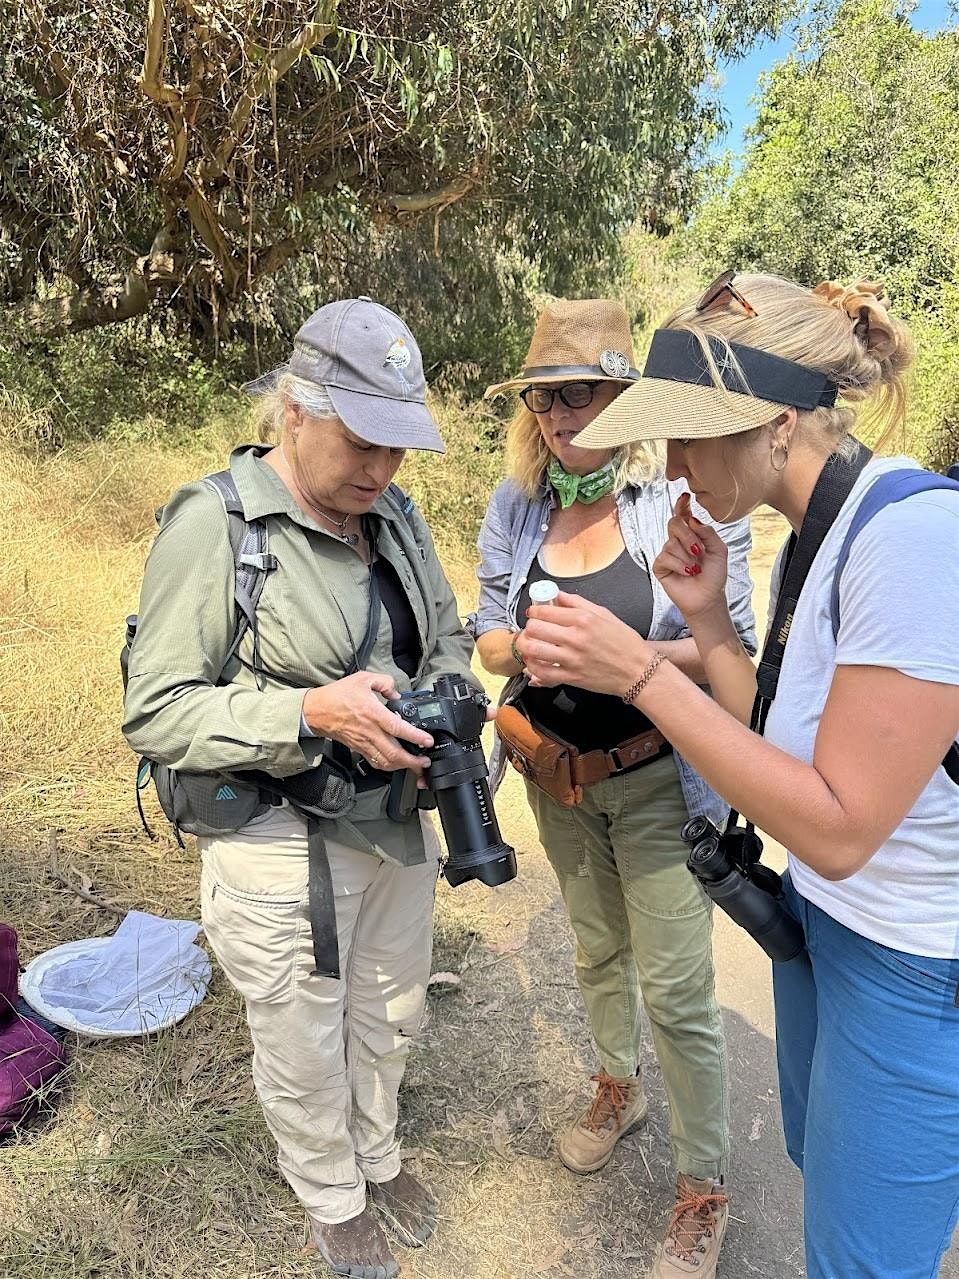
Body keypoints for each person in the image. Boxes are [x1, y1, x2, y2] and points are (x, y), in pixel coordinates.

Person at [518, 274, 959, 1279]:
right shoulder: (820, 530)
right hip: (827, 932)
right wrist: (710, 623)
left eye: (689, 434)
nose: (669, 467)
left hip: (914, 966)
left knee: (860, 1256)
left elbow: (840, 824)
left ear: (775, 419)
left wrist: (635, 669)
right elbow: (773, 732)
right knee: (817, 1166)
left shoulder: (912, 535)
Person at [123, 298, 477, 1279]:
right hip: (280, 831)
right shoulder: (216, 522)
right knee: (301, 1023)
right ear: (293, 409)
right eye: (362, 442)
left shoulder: (394, 514)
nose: (380, 470)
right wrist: (307, 716)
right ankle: (331, 1194)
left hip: (395, 819)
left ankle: (378, 1152)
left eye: (397, 450)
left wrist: (446, 700)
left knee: (392, 1005)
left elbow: (442, 633)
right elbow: (156, 712)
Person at [474, 298, 757, 1278]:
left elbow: (735, 657)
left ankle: (702, 1187)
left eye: (581, 392)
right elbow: (483, 635)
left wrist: (627, 660)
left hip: (654, 787)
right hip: (554, 780)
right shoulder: (515, 505)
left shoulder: (673, 503)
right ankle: (614, 1085)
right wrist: (522, 646)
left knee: (678, 990)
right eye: (545, 397)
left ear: (623, 397)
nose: (561, 414)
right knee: (596, 949)